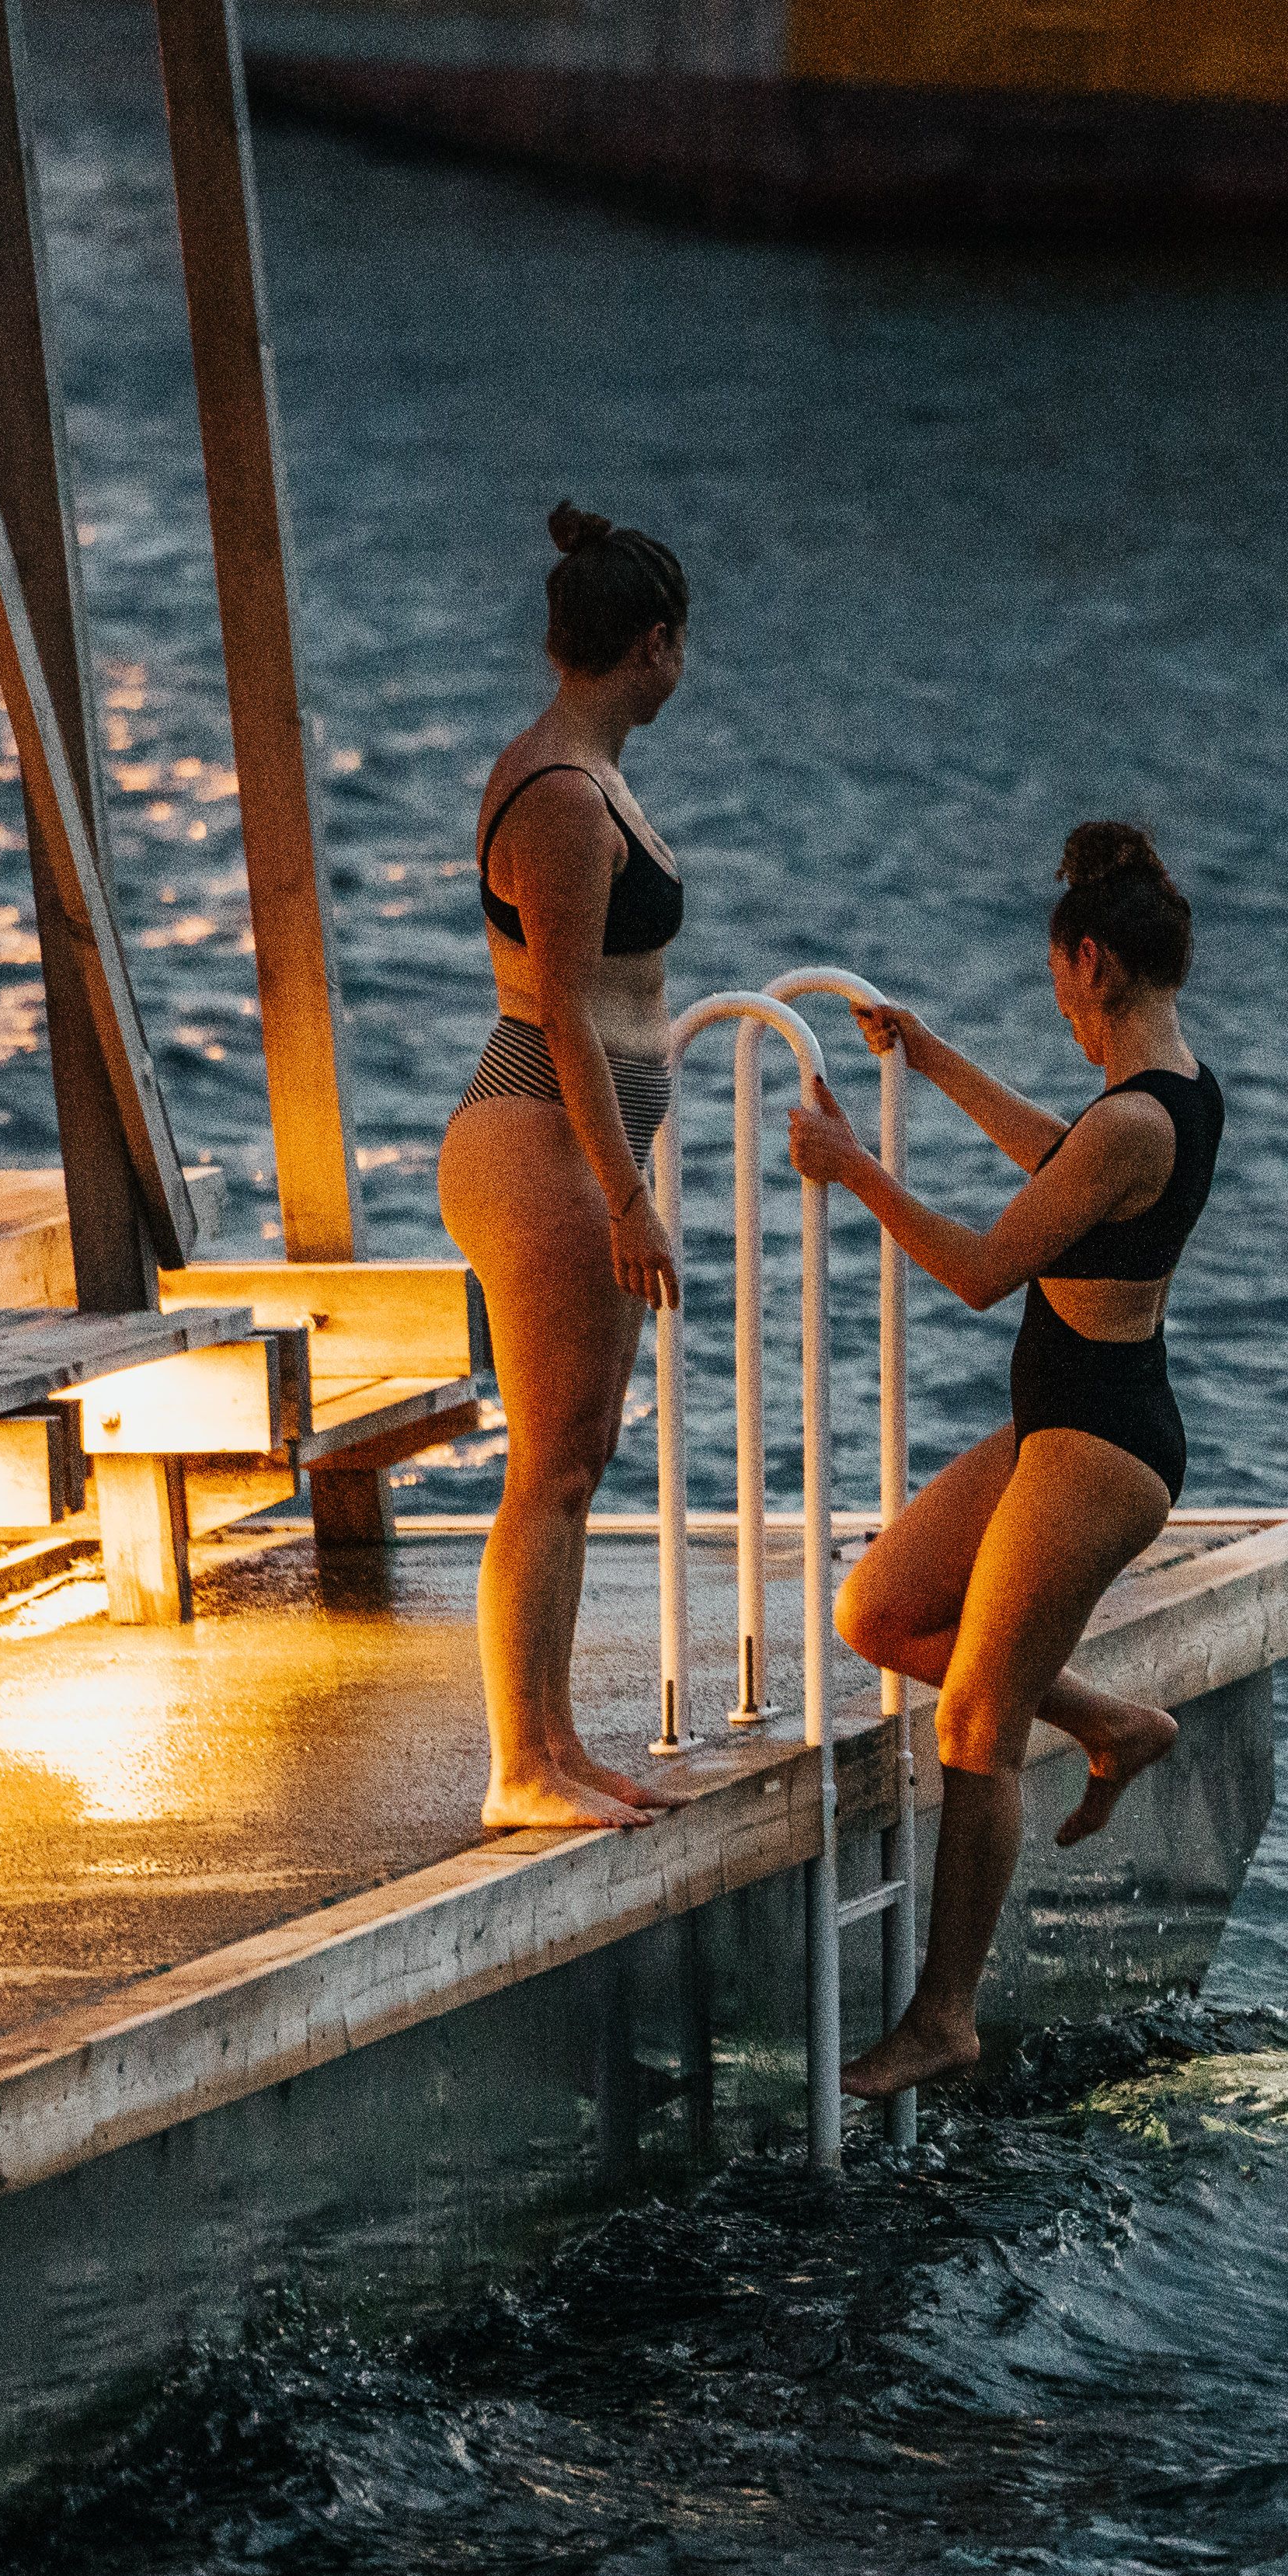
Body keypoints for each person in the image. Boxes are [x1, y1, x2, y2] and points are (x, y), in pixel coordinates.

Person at [783, 820, 1219, 2097]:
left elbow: (981, 1272)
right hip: (1061, 1423)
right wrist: (930, 1059)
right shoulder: (1156, 1098)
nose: (1067, 1019)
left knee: (973, 1715)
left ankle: (944, 2015)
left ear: (1092, 963)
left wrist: (857, 1168)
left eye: (1060, 991)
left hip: (1104, 1444)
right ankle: (1112, 1725)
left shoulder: (1142, 1119)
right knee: (883, 1610)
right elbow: (1057, 1156)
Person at [440, 504, 697, 1831]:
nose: (681, 670)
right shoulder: (556, 796)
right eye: (678, 646)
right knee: (547, 1462)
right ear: (650, 645)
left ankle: (557, 1742)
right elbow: (564, 1019)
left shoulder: (584, 778)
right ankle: (516, 1767)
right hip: (541, 1140)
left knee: (579, 1456)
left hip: (571, 1150)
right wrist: (631, 1194)